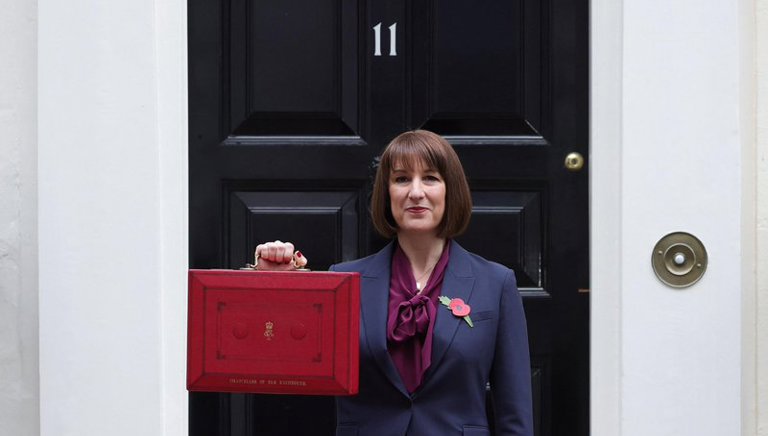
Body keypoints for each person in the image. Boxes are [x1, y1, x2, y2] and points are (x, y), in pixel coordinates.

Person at [255, 130, 533, 436]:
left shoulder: (496, 283)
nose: (415, 192)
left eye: (430, 177)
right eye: (401, 179)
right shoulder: (344, 282)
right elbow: (282, 365)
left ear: (450, 189)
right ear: (387, 194)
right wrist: (273, 283)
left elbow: (514, 415)